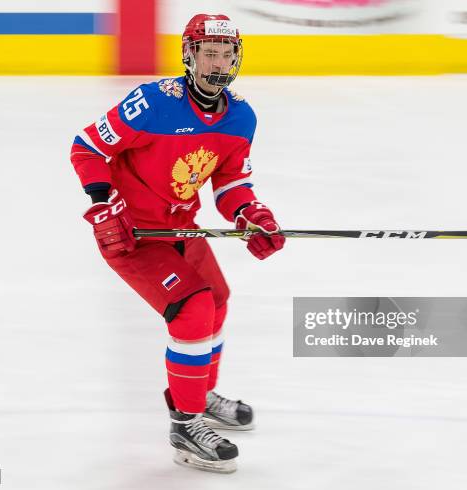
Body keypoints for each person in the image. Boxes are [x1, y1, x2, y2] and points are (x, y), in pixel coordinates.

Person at [69, 13, 285, 473]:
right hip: (132, 236)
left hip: (180, 229)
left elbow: (230, 184)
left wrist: (251, 214)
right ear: (189, 54)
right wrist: (103, 204)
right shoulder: (152, 103)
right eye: (209, 53)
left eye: (227, 54)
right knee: (193, 309)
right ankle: (185, 424)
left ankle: (199, 396)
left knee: (218, 300)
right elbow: (88, 147)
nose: (219, 63)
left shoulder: (241, 116)